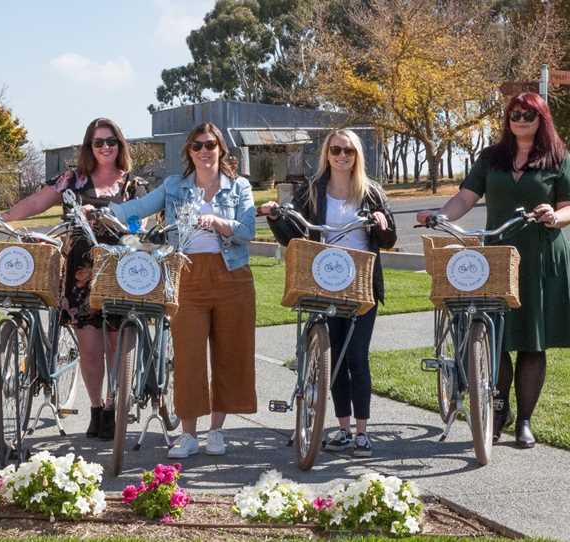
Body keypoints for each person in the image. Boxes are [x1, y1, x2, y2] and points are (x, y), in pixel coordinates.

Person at [416, 92, 570, 449]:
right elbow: (464, 198)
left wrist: (554, 216)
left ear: (541, 117)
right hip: (497, 255)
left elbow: (567, 207)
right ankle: (498, 411)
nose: (519, 119)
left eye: (528, 114)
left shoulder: (558, 158)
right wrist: (439, 214)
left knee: (533, 341)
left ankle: (525, 421)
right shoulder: (491, 158)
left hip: (541, 257)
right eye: (514, 113)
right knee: (494, 336)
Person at [109, 122, 257, 459]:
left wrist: (220, 223)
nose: (204, 152)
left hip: (232, 274)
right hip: (186, 274)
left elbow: (248, 229)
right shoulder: (175, 186)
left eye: (210, 145)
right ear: (189, 152)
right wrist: (104, 210)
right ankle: (188, 434)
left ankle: (216, 431)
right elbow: (138, 207)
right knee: (188, 356)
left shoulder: (239, 187)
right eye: (197, 146)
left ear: (221, 148)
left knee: (231, 354)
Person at [0, 118, 146, 441]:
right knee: (90, 349)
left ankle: (113, 404)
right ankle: (96, 407)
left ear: (120, 146)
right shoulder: (73, 180)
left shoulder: (133, 186)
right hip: (80, 277)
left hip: (121, 273)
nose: (105, 147)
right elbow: (36, 202)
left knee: (117, 347)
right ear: (88, 147)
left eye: (111, 141)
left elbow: (140, 227)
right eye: (98, 142)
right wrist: (2, 218)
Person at [260, 129, 397, 458]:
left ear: (357, 155)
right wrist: (277, 214)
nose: (342, 156)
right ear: (327, 153)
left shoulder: (371, 192)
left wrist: (381, 223)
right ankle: (344, 428)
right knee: (331, 359)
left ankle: (363, 432)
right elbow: (293, 231)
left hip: (362, 283)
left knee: (357, 358)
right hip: (324, 280)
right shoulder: (312, 190)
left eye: (348, 151)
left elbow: (389, 238)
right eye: (336, 150)